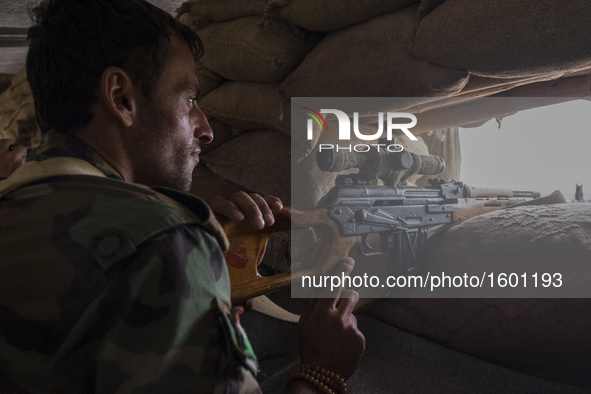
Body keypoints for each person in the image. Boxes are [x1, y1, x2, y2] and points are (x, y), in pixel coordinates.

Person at [0, 0, 365, 393]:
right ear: (121, 98)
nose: (205, 129)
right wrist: (321, 372)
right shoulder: (161, 241)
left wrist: (211, 292)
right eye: (190, 99)